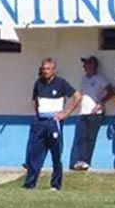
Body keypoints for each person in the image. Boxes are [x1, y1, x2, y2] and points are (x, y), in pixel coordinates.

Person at [25, 58, 81, 190]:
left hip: (53, 122)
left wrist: (65, 113)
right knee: (35, 153)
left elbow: (77, 96)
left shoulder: (61, 83)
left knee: (56, 153)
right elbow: (34, 100)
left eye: (48, 69)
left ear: (53, 70)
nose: (45, 71)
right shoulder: (39, 83)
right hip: (40, 122)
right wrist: (38, 113)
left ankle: (55, 184)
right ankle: (30, 183)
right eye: (43, 69)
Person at [71, 56, 112, 172]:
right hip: (83, 112)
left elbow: (111, 91)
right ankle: (81, 161)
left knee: (90, 138)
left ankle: (86, 161)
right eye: (85, 65)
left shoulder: (100, 79)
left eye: (88, 64)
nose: (85, 67)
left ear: (94, 66)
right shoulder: (84, 79)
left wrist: (101, 103)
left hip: (95, 113)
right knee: (81, 137)